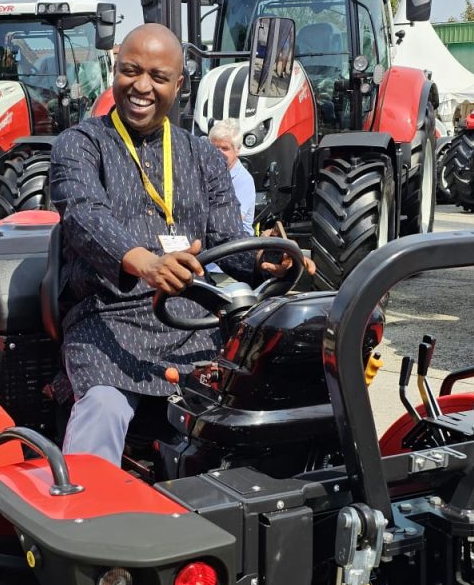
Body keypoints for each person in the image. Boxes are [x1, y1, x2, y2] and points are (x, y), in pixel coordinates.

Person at [49, 23, 292, 464]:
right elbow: (85, 215)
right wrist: (147, 264)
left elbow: (227, 237)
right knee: (103, 409)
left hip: (192, 323)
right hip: (107, 320)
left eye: (158, 77)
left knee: (260, 404)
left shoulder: (202, 155)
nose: (141, 86)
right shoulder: (80, 144)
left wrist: (263, 257)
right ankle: (80, 518)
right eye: (130, 71)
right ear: (114, 72)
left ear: (178, 85)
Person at [208, 118, 256, 233]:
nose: (218, 152)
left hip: (236, 243)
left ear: (237, 149)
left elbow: (231, 221)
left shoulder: (244, 180)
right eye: (215, 147)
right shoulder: (208, 171)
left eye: (224, 148)